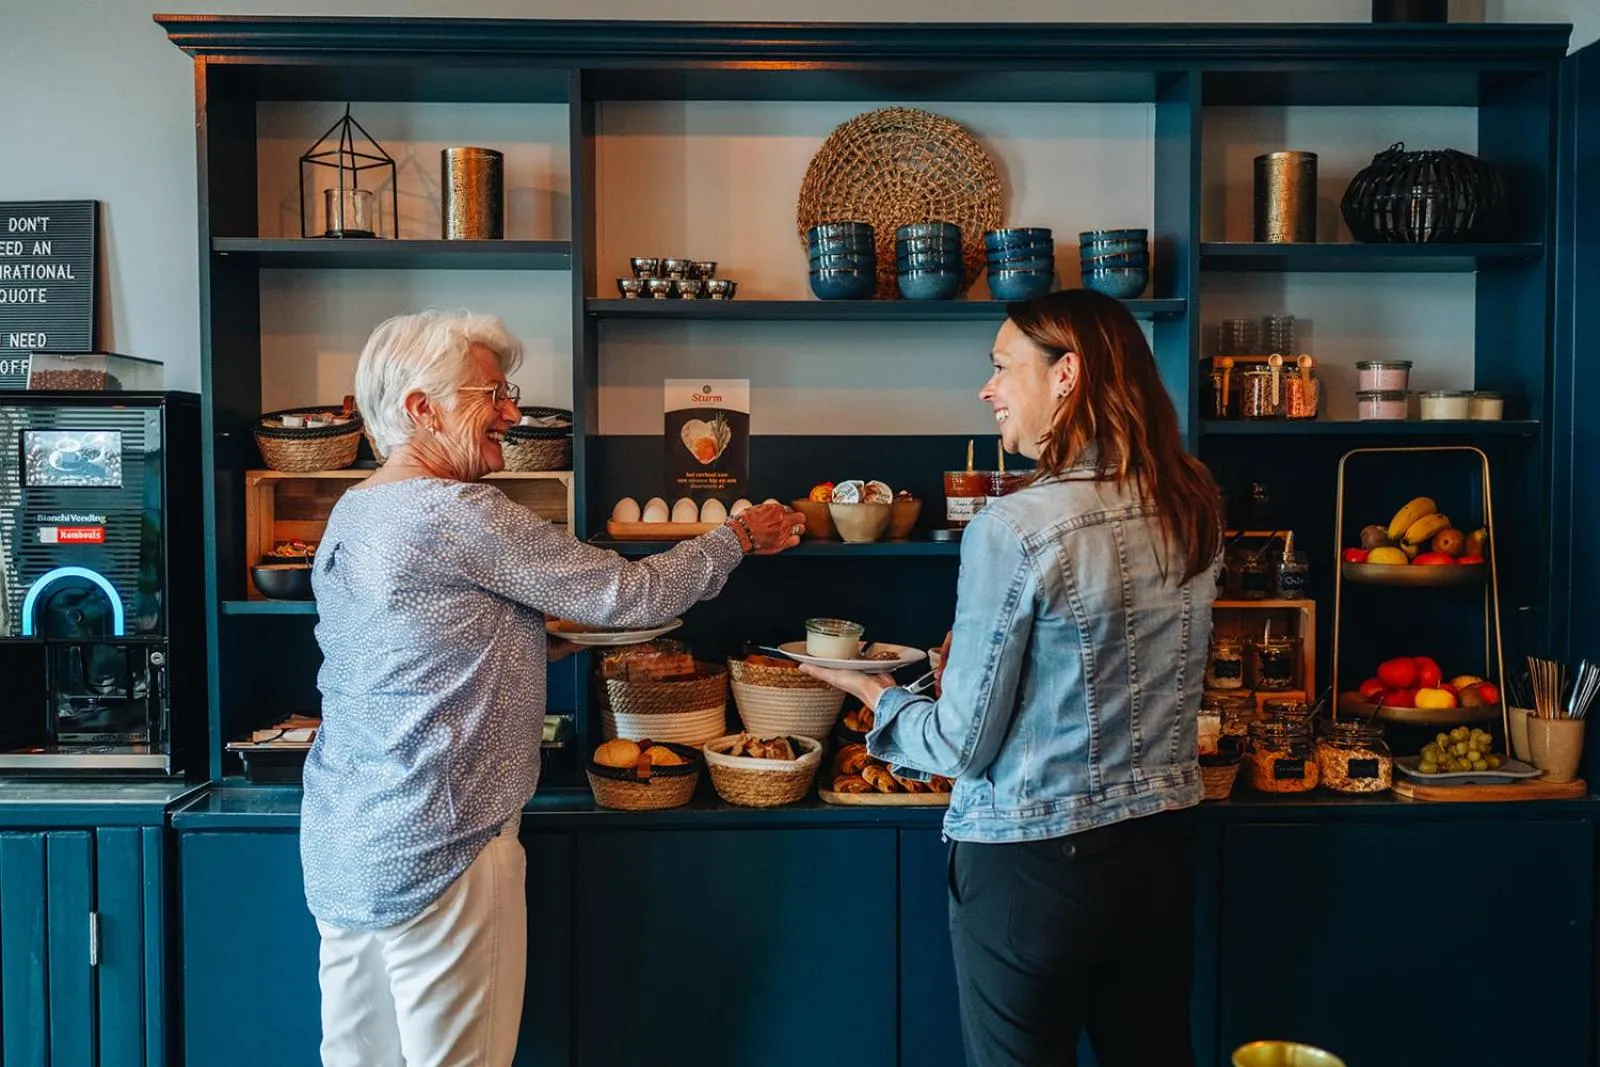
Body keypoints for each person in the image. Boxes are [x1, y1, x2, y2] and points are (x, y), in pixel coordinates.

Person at [301, 309, 803, 1067]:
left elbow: (426, 644)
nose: (512, 411)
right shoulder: (456, 511)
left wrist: (547, 639)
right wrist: (735, 535)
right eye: (491, 393)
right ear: (420, 408)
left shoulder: (356, 509)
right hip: (447, 843)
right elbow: (630, 595)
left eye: (510, 391)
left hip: (349, 843)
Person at [802, 289, 1222, 1067]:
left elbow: (962, 744)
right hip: (1161, 853)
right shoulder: (1190, 501)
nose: (986, 388)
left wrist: (878, 696)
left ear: (1067, 374)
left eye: (1001, 367)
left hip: (1034, 866)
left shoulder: (1015, 525)